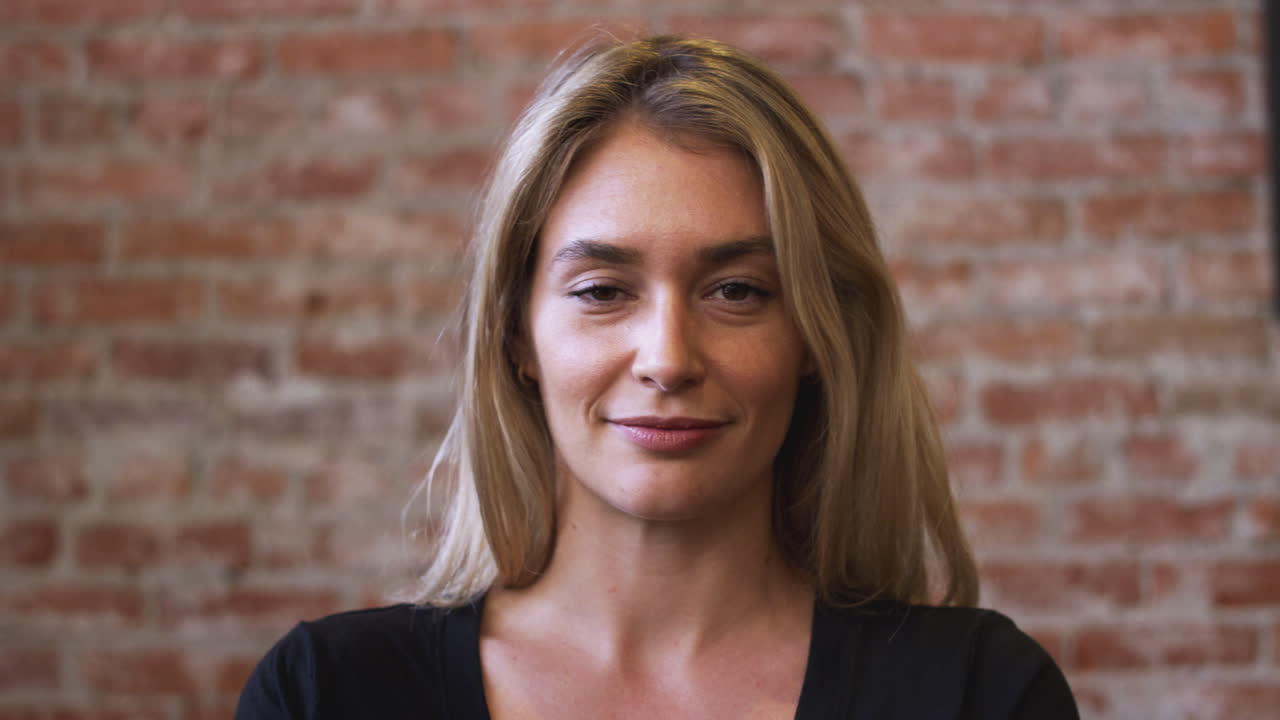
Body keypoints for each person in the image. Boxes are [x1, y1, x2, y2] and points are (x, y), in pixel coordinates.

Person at [236, 35, 1079, 719]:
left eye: (738, 291)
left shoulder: (981, 695)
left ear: (819, 335)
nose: (669, 359)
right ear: (516, 337)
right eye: (602, 291)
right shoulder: (327, 695)